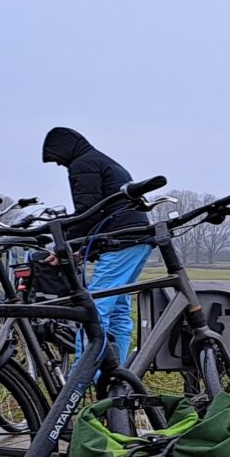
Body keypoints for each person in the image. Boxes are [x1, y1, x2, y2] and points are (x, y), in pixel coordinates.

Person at [41, 127, 151, 362]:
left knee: (95, 310)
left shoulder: (82, 165)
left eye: (59, 161)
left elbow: (88, 211)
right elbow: (106, 209)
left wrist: (66, 245)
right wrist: (83, 247)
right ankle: (117, 376)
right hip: (138, 238)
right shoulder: (104, 161)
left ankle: (83, 379)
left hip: (120, 241)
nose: (61, 166)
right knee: (120, 309)